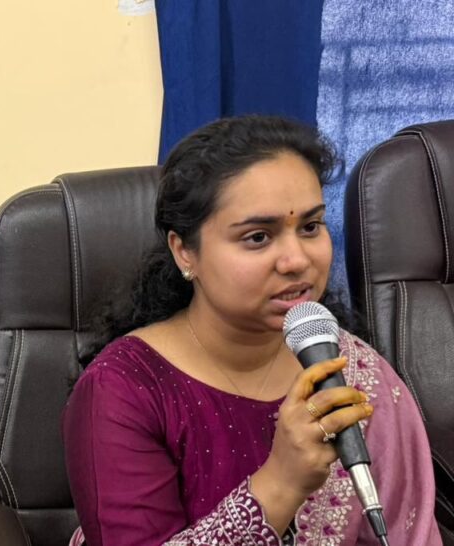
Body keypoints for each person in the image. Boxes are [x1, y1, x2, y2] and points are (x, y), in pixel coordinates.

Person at [62, 116, 442, 545]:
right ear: (184, 251)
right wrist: (280, 484)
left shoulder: (355, 372)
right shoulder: (124, 388)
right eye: (258, 237)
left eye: (310, 227)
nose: (297, 260)